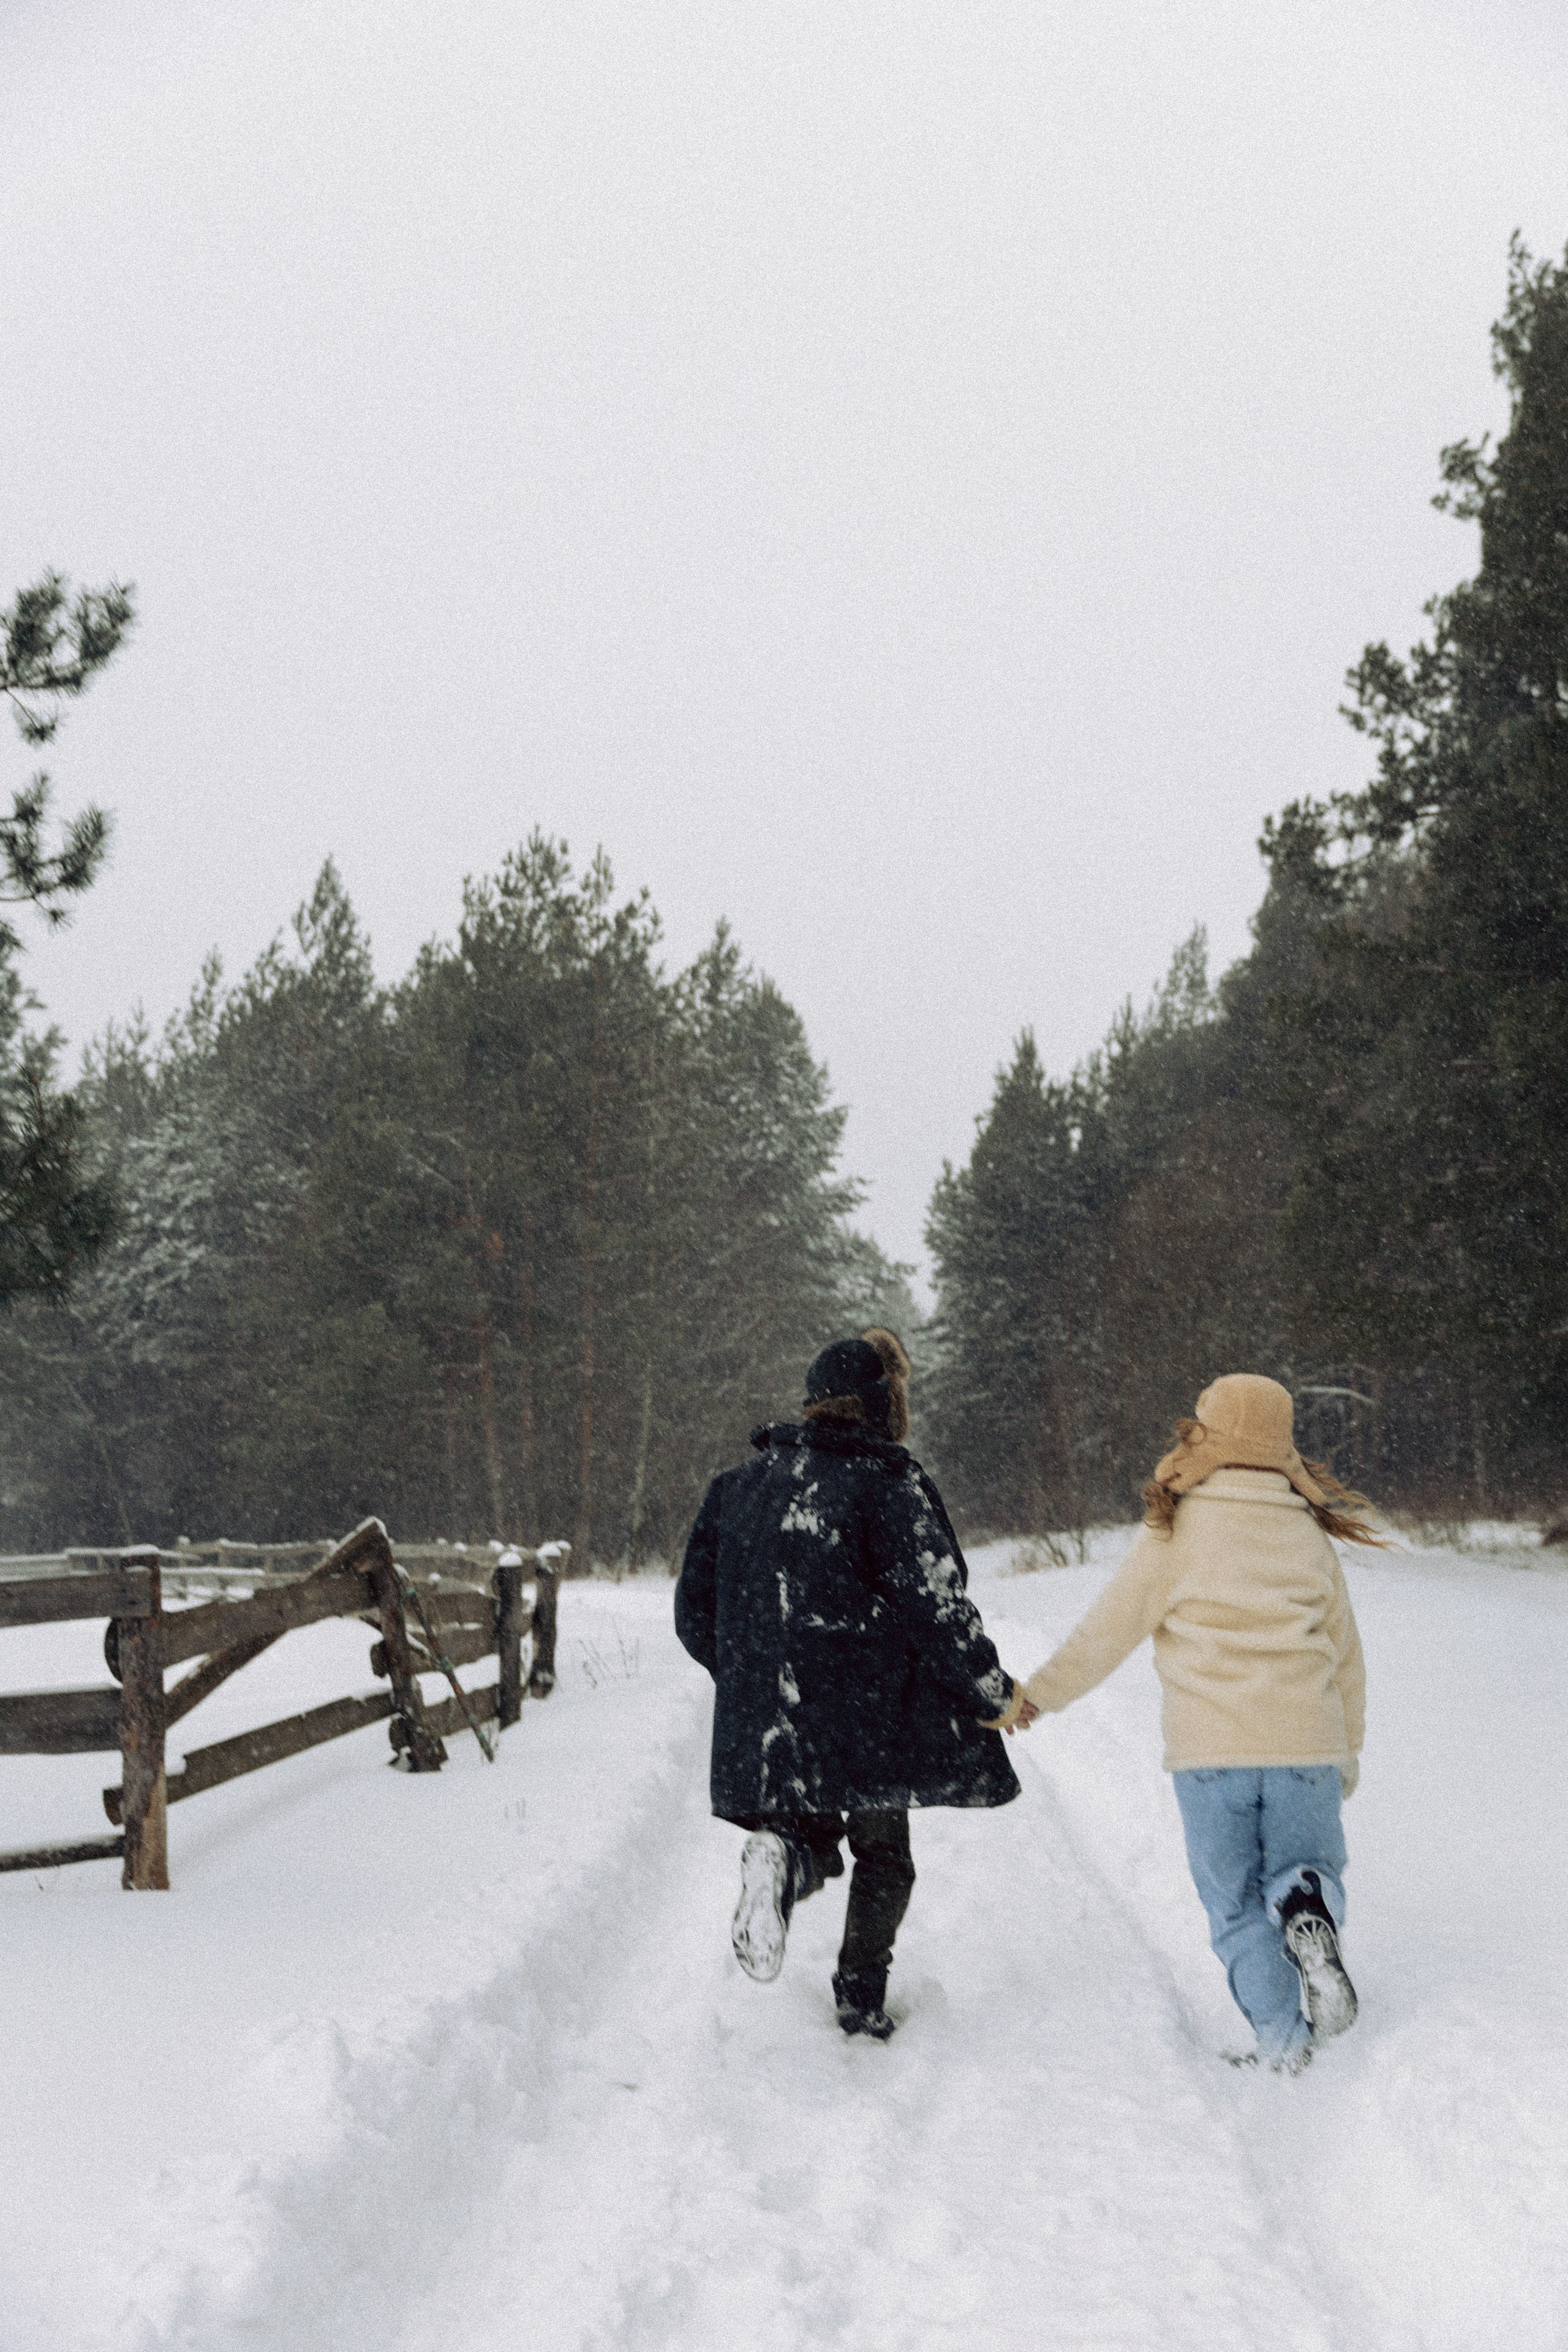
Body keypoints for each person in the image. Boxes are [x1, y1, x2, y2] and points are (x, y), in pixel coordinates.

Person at [1016, 1374, 1382, 2073]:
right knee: (1307, 1869)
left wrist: (1039, 1695)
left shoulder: (1175, 1531)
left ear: (1206, 1436)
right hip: (1306, 1745)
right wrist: (1348, 1752)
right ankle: (1306, 1903)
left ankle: (1282, 2042)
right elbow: (1347, 1660)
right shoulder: (1307, 1535)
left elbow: (1106, 1633)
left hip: (1210, 1757)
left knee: (1236, 1907)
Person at [674, 1327, 1025, 2040]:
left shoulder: (736, 1488)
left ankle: (783, 1859)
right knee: (883, 1856)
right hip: (870, 1712)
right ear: (880, 1405)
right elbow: (938, 1608)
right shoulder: (888, 1485)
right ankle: (860, 1997)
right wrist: (993, 1691)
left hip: (776, 1713)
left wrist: (757, 1674)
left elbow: (694, 1614)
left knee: (807, 1833)